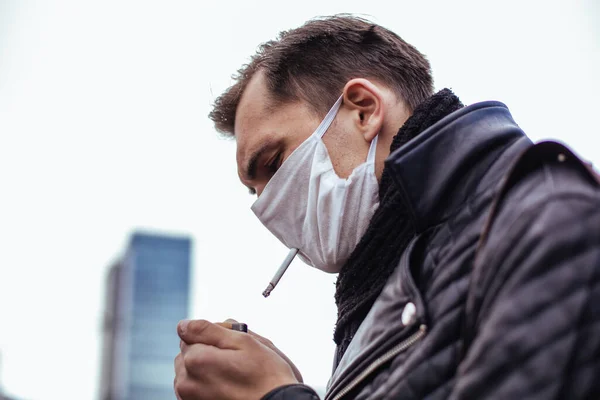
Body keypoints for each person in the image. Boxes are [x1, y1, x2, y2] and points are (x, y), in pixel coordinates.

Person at [173, 15, 600, 400]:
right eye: (256, 192)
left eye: (274, 163)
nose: (269, 206)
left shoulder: (543, 217)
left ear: (363, 110)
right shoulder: (378, 300)